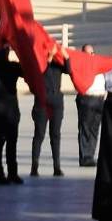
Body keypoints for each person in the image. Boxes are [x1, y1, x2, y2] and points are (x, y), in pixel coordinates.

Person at [0, 46, 24, 185]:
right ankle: (11, 174)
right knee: (11, 143)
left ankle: (0, 174)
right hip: (10, 109)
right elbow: (27, 71)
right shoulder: (13, 67)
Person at [31, 46, 69, 177]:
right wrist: (48, 58)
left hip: (57, 101)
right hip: (42, 102)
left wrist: (66, 57)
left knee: (56, 135)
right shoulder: (40, 62)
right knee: (39, 134)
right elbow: (41, 72)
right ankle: (34, 166)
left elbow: (68, 70)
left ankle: (56, 167)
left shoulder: (58, 63)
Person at [74, 43, 106, 166]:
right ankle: (84, 157)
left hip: (99, 99)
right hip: (87, 99)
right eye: (88, 53)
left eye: (92, 53)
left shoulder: (98, 64)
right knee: (85, 128)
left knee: (94, 129)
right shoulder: (80, 66)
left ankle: (90, 156)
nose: (91, 55)